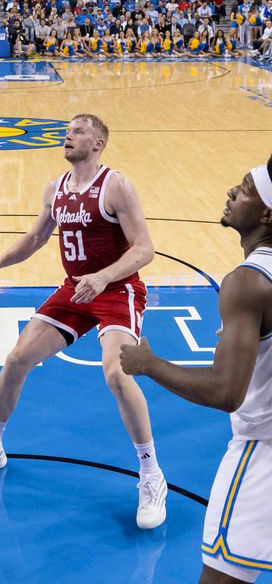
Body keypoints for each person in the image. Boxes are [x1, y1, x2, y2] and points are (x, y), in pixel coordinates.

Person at [0, 114, 167, 529]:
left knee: (117, 373)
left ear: (98, 143)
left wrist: (104, 276)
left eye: (78, 131)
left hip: (116, 289)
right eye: (67, 130)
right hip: (75, 289)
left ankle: (151, 475)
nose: (68, 135)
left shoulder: (116, 186)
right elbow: (37, 238)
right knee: (17, 358)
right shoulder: (55, 188)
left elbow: (145, 249)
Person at [121, 158, 272, 583]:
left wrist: (148, 364)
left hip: (262, 455)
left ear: (267, 214)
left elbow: (227, 391)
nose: (231, 191)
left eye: (244, 189)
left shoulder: (248, 282)